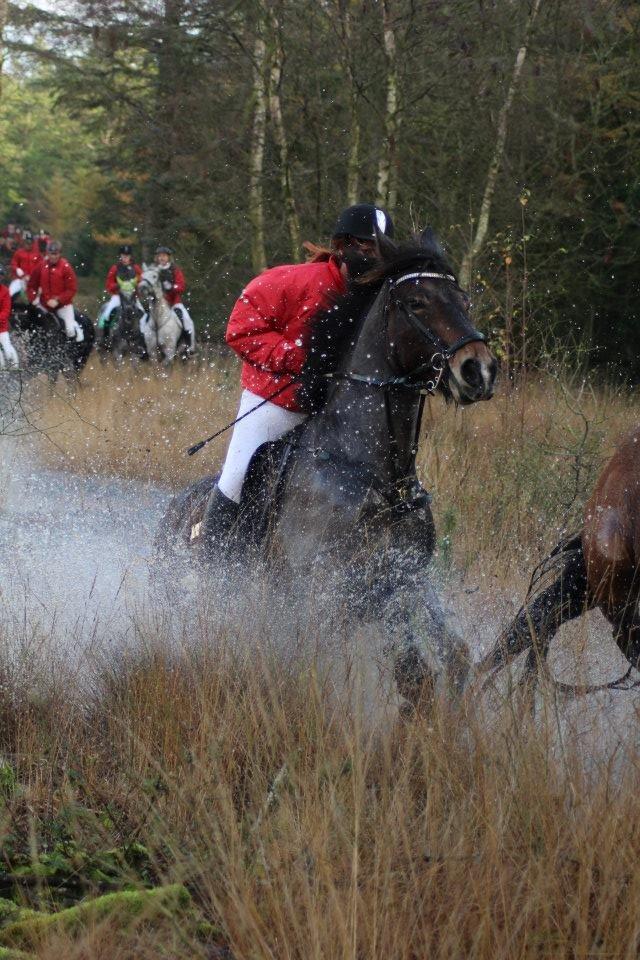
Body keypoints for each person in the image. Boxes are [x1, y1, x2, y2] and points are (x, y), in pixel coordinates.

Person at [199, 202, 394, 555]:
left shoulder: (383, 297)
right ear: (343, 246)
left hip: (340, 408)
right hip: (278, 399)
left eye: (380, 248)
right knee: (236, 477)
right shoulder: (291, 280)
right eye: (366, 247)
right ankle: (209, 563)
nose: (374, 256)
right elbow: (240, 330)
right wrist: (299, 358)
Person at [27, 240, 83, 342]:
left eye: (56, 254)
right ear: (47, 253)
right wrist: (33, 299)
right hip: (44, 305)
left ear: (60, 254)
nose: (53, 257)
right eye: (51, 254)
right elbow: (31, 285)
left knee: (70, 330)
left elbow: (72, 289)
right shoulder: (41, 266)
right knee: (31, 322)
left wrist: (58, 300)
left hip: (63, 306)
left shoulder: (66, 267)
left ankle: (71, 350)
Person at [153, 246, 196, 353]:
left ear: (168, 257)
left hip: (174, 303)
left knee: (188, 322)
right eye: (160, 256)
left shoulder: (175, 270)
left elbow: (181, 286)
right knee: (143, 321)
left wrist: (172, 287)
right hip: (157, 305)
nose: (161, 258)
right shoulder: (153, 270)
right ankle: (142, 346)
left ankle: (190, 347)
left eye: (164, 256)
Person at [98, 244, 142, 328]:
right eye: (123, 256)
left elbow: (141, 281)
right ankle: (105, 337)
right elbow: (109, 283)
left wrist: (135, 287)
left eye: (127, 256)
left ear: (130, 256)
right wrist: (117, 286)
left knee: (142, 312)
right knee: (108, 313)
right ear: (120, 256)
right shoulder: (115, 268)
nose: (125, 258)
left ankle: (142, 334)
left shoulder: (136, 268)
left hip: (132, 296)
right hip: (118, 296)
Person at [9, 231, 41, 300]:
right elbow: (13, 263)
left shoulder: (37, 254)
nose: (28, 245)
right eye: (27, 243)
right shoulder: (18, 253)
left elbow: (40, 267)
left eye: (30, 243)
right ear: (24, 243)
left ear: (32, 243)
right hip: (19, 279)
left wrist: (33, 277)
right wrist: (17, 269)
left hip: (33, 281)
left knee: (38, 299)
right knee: (10, 294)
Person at [0, 264, 19, 369]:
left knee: (8, 351)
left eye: (0, 275)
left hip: (2, 328)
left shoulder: (5, 291)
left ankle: (15, 369)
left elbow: (6, 310)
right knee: (0, 361)